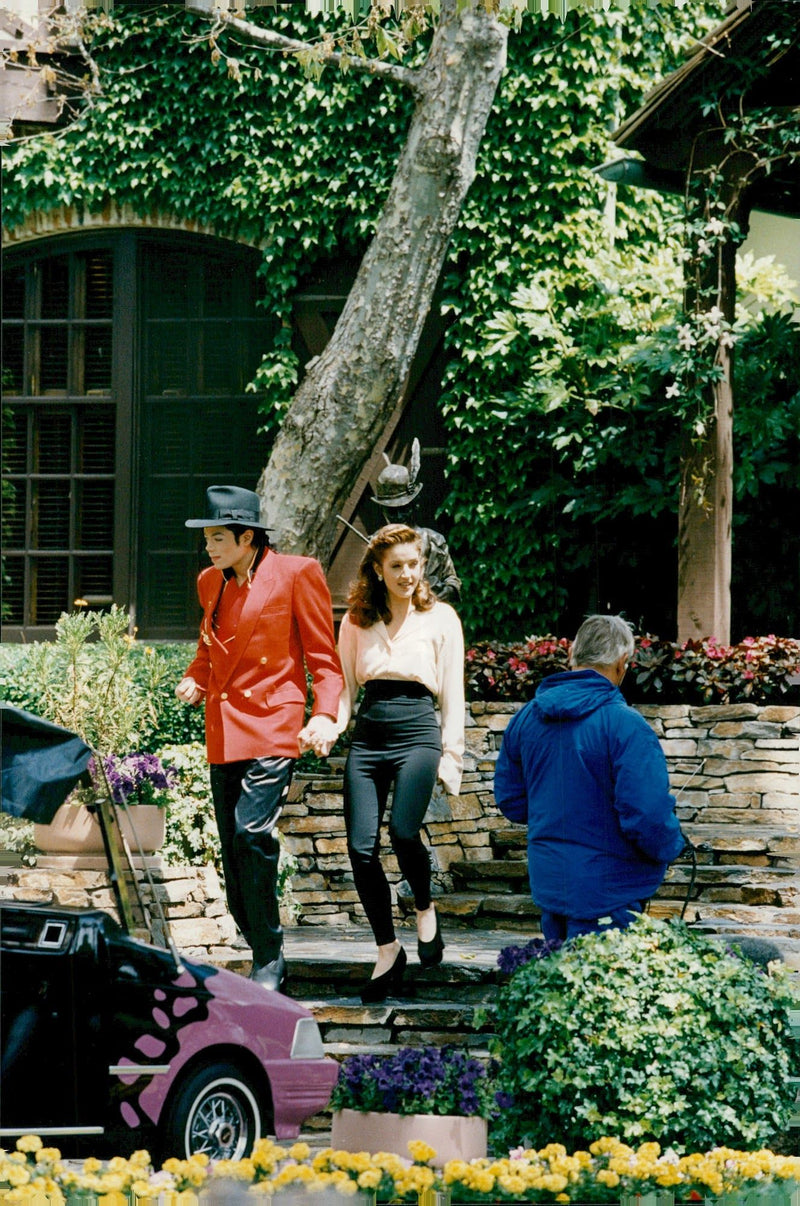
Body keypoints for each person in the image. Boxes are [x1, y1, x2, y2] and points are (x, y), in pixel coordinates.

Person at [175, 485, 343, 991]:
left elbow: (324, 660)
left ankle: (269, 956)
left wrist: (325, 714)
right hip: (224, 727)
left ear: (247, 537)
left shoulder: (297, 573)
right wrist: (195, 678)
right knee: (232, 851)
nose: (208, 546)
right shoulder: (210, 581)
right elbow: (208, 651)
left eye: (218, 537)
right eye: (207, 537)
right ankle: (261, 947)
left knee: (251, 834)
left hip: (273, 723)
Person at [494, 614, 685, 942]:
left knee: (559, 973)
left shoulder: (525, 719)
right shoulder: (626, 725)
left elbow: (511, 801)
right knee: (604, 975)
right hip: (611, 887)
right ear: (622, 663)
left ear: (572, 654)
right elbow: (647, 815)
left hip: (551, 881)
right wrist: (673, 845)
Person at [335, 523, 465, 1002]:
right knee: (360, 847)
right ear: (377, 569)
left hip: (417, 733)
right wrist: (330, 725)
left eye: (414, 564)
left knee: (403, 832)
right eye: (397, 566)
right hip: (369, 736)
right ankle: (388, 949)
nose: (407, 574)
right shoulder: (356, 620)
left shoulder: (442, 618)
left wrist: (452, 757)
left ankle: (425, 907)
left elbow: (453, 693)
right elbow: (345, 690)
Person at [371, 439, 461, 604]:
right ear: (383, 510)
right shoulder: (376, 543)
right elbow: (366, 588)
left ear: (415, 505)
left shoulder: (434, 540)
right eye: (392, 510)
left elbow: (452, 581)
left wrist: (439, 594)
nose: (399, 516)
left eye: (404, 508)